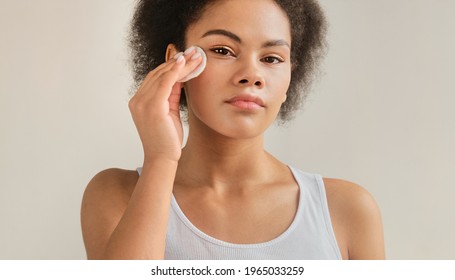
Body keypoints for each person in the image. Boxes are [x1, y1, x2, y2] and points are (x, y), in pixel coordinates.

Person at [81, 0, 385, 260]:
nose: (251, 75)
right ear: (176, 61)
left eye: (271, 59)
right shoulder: (116, 195)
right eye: (223, 50)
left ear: (291, 76)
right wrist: (161, 157)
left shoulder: (348, 210)